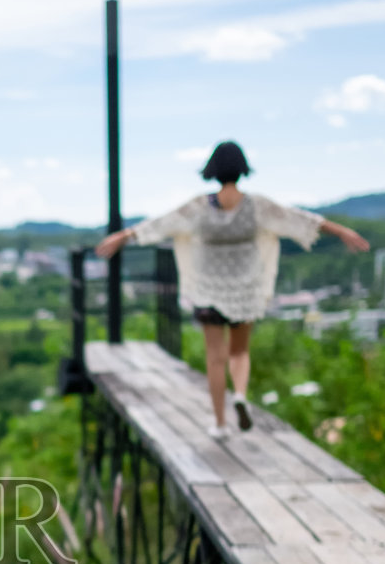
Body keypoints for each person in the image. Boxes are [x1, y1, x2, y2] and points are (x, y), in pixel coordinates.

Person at [94, 141, 370, 436]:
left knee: (215, 358)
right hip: (244, 291)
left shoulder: (199, 207)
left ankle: (219, 422)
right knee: (239, 352)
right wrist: (342, 231)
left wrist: (122, 236)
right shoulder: (256, 205)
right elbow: (298, 219)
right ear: (242, 169)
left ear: (212, 170)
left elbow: (161, 224)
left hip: (208, 292)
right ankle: (239, 394)